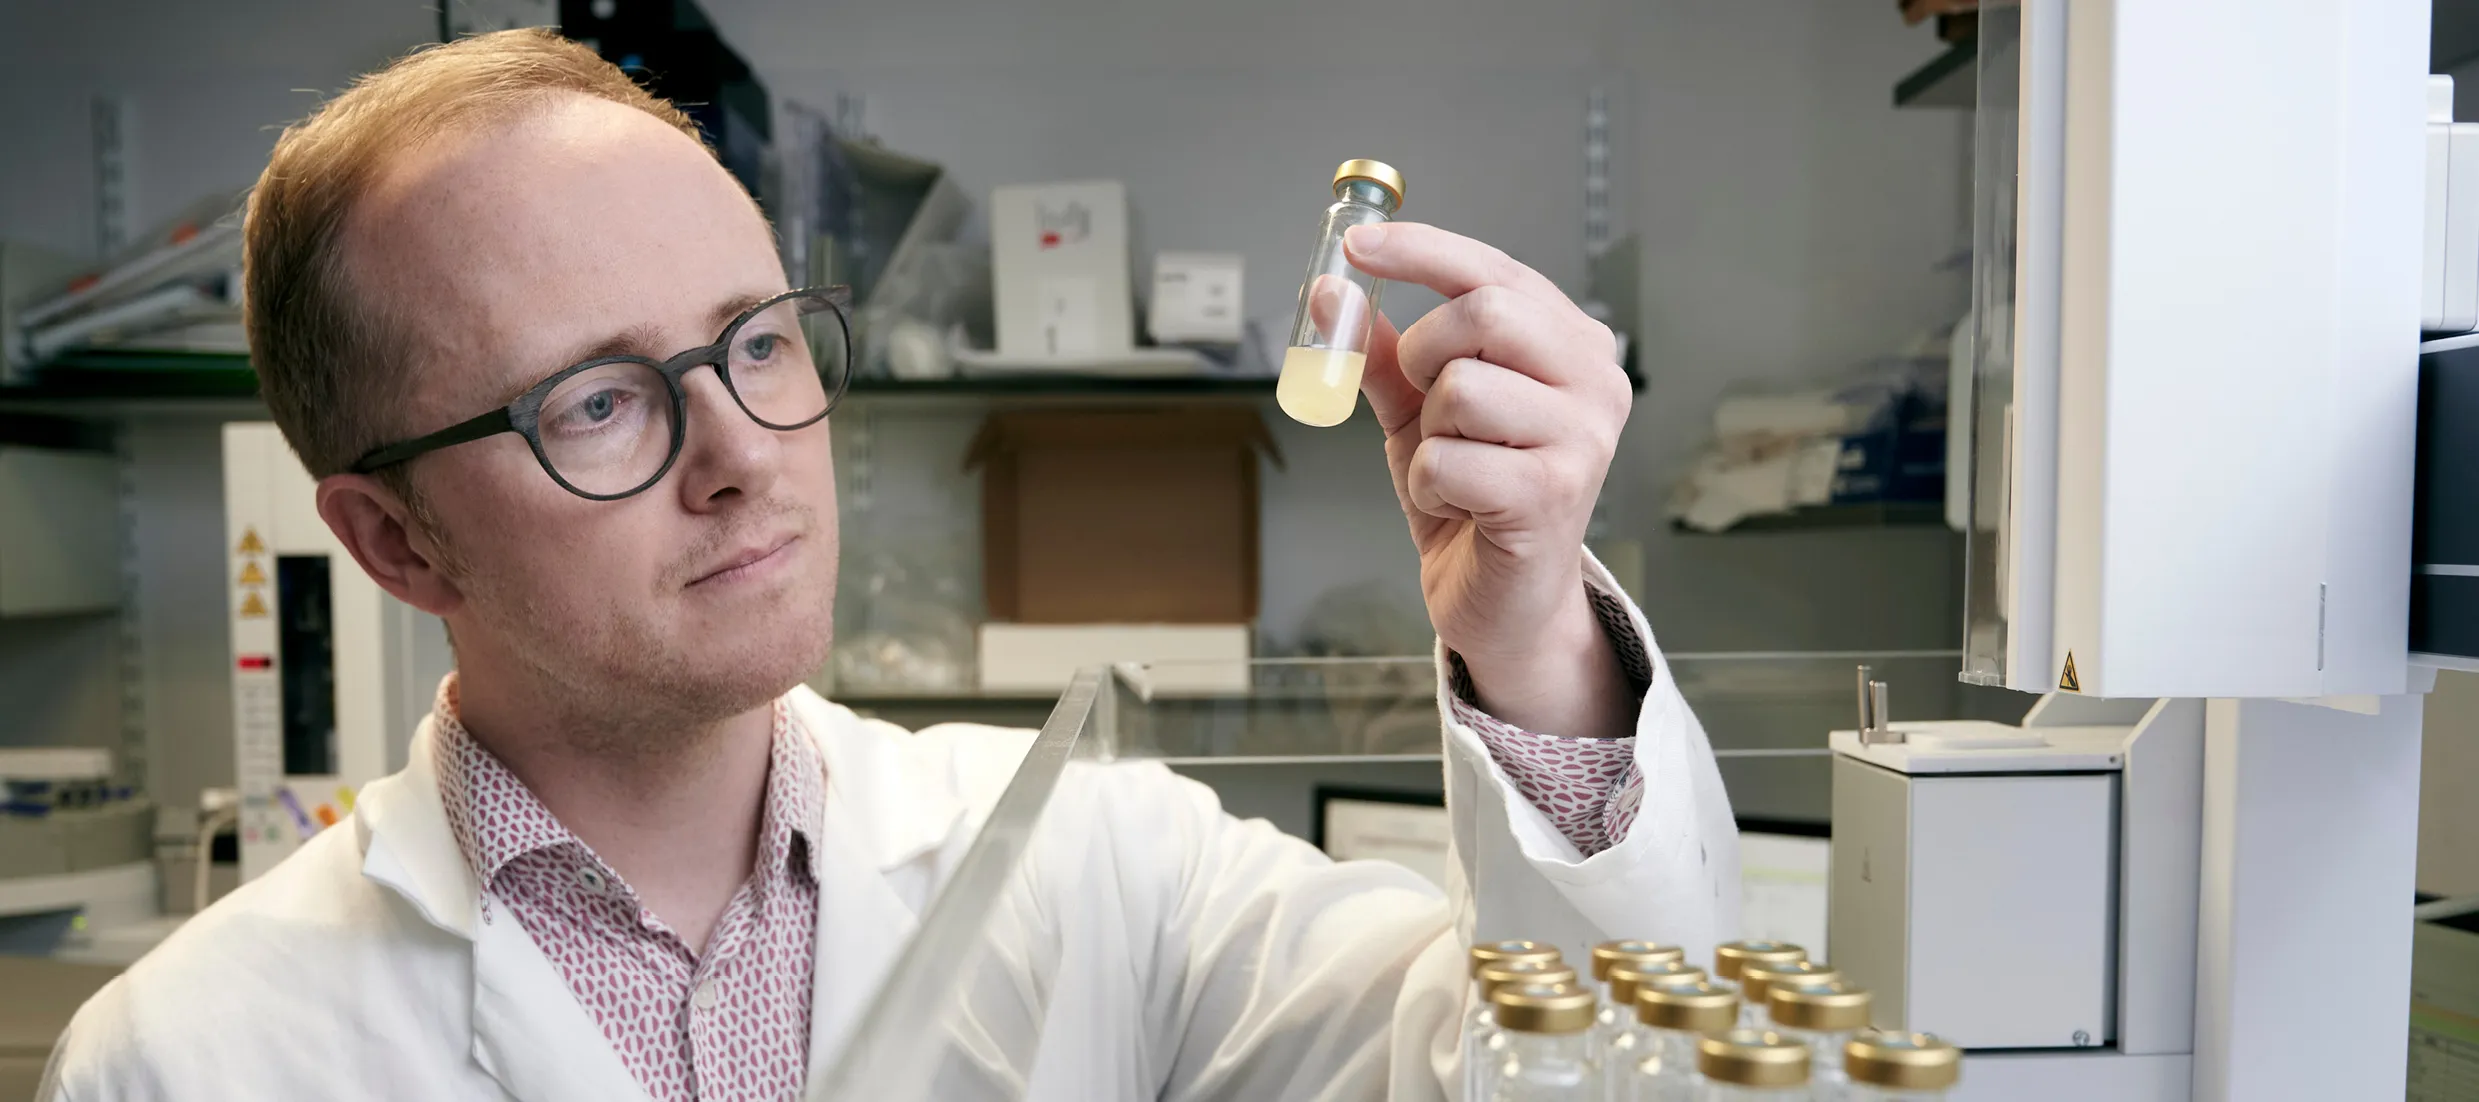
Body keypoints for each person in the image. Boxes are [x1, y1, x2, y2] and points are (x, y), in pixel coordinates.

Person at [42, 28, 1736, 1102]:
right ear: (392, 537)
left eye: (758, 343)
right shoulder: (187, 1059)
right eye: (602, 399)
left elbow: (1585, 1078)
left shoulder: (1103, 866)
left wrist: (1526, 637)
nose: (741, 453)